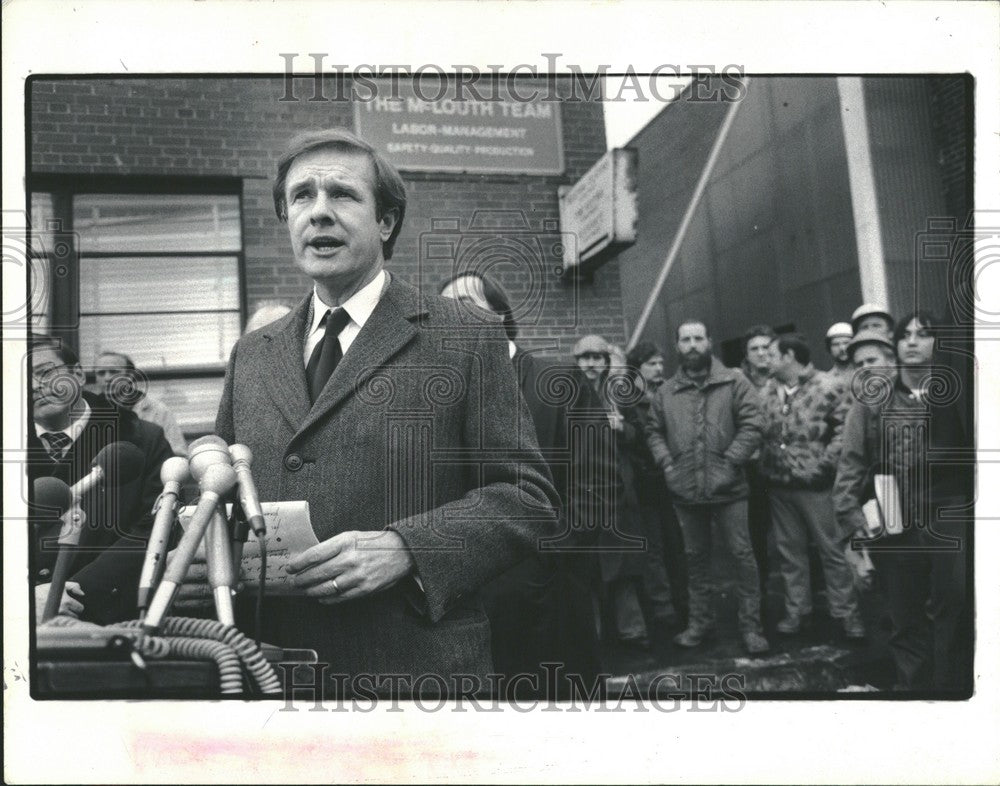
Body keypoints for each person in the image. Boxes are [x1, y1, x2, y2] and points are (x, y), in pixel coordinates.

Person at [201, 128, 560, 697]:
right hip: (273, 674)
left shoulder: (466, 336)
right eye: (301, 196)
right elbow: (220, 498)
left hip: (414, 673)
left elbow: (527, 497)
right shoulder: (252, 353)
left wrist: (407, 549)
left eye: (342, 195)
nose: (318, 212)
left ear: (386, 222)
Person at [439, 271, 602, 697]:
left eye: (470, 305)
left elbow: (594, 490)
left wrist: (544, 562)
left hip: (548, 603)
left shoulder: (561, 383)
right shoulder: (441, 399)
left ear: (501, 316)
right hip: (467, 612)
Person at [834, 315, 972, 693]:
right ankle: (913, 699)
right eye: (905, 335)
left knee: (955, 607)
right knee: (905, 619)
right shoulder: (872, 403)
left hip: (949, 522)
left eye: (923, 334)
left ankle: (951, 694)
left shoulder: (959, 395)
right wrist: (855, 540)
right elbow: (850, 468)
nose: (912, 342)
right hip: (895, 523)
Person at [645, 320, 769, 655]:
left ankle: (751, 627)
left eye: (698, 338)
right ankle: (700, 623)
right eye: (685, 340)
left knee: (743, 557)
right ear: (677, 347)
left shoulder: (734, 381)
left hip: (730, 489)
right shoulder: (666, 392)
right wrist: (667, 465)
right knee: (694, 559)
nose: (693, 345)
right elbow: (653, 431)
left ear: (710, 342)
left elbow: (754, 424)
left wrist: (730, 463)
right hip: (685, 490)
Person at [29, 337, 173, 624]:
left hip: (111, 619)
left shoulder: (141, 438)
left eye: (45, 373)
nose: (34, 386)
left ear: (79, 375)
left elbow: (155, 528)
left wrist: (66, 595)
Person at [758, 333, 864, 639]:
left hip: (816, 484)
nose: (767, 360)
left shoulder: (829, 386)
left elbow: (844, 432)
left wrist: (822, 467)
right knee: (790, 553)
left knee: (832, 550)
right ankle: (797, 612)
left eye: (772, 354)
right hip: (778, 485)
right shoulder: (766, 392)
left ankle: (847, 614)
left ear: (789, 356)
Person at [570, 334, 649, 649]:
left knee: (623, 567)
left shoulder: (620, 396)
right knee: (585, 569)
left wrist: (622, 428)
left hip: (618, 494)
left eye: (597, 357)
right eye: (584, 357)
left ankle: (633, 630)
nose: (590, 363)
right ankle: (592, 635)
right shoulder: (564, 396)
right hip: (582, 494)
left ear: (606, 362)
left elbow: (641, 438)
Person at [621, 341, 688, 628]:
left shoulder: (669, 393)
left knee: (677, 544)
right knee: (654, 547)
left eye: (661, 363)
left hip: (671, 480)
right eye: (652, 363)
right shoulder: (627, 400)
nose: (659, 368)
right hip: (645, 484)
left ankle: (682, 601)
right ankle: (662, 608)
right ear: (637, 368)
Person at [738, 324, 777, 598]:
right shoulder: (738, 384)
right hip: (753, 469)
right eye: (755, 349)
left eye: (766, 348)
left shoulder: (785, 379)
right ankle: (761, 591)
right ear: (746, 354)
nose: (761, 353)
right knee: (757, 534)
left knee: (793, 535)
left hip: (787, 466)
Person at [94, 351, 188, 457]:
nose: (107, 378)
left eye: (114, 372)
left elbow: (178, 454)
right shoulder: (89, 411)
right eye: (101, 373)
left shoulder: (158, 410)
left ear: (129, 376)